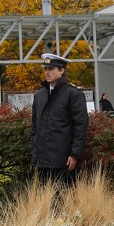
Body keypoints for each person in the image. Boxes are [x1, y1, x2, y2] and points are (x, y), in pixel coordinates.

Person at [30, 53, 89, 187]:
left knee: (63, 200)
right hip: (42, 159)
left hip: (63, 160)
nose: (47, 72)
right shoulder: (40, 95)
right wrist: (34, 151)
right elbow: (35, 126)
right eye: (45, 69)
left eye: (51, 69)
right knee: (43, 200)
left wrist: (74, 154)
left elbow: (80, 126)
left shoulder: (73, 94)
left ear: (61, 70)